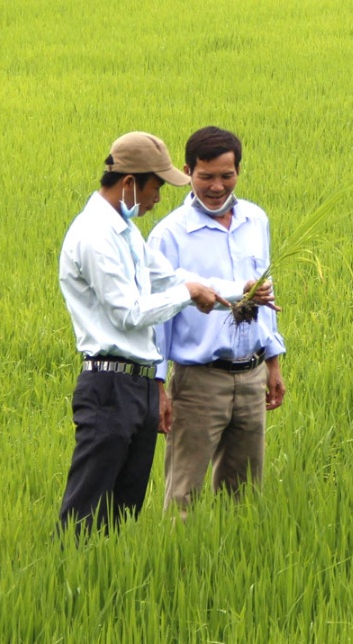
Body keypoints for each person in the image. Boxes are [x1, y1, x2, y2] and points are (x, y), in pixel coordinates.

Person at [57, 131, 273, 536]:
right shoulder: (93, 236)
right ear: (129, 184)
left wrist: (236, 290)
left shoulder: (125, 232)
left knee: (122, 513)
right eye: (156, 187)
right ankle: (69, 581)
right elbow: (129, 312)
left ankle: (111, 580)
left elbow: (170, 277)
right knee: (87, 511)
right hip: (108, 384)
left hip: (134, 384)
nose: (158, 198)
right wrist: (186, 295)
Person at [148, 126, 286, 517]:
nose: (216, 186)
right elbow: (159, 319)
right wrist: (158, 387)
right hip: (198, 382)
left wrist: (273, 362)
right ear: (188, 172)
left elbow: (265, 295)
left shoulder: (255, 220)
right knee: (183, 497)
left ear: (239, 171)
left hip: (251, 375)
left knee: (243, 496)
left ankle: (234, 565)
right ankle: (180, 568)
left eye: (227, 175)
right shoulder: (169, 236)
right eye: (206, 176)